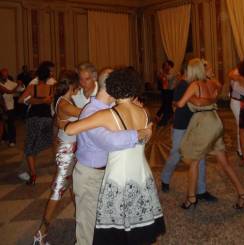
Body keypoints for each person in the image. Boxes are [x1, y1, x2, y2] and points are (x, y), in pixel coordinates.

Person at [63, 68, 165, 245]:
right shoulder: (140, 112)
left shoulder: (109, 112)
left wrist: (142, 133)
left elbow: (70, 129)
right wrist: (140, 133)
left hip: (116, 176)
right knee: (99, 227)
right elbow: (111, 141)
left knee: (117, 228)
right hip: (108, 174)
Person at [177, 58, 244, 210]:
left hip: (204, 123)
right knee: (224, 162)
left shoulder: (194, 85)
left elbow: (180, 104)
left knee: (194, 161)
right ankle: (243, 193)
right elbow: (216, 92)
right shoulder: (211, 83)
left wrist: (192, 98)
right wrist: (209, 98)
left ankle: (191, 198)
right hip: (216, 121)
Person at [33, 70, 81, 245]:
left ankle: (81, 221)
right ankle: (41, 231)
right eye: (78, 84)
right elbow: (84, 113)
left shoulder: (64, 100)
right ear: (72, 86)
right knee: (58, 188)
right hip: (67, 151)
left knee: (74, 186)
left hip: (69, 148)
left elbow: (59, 122)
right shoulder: (65, 104)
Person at [161, 66, 217, 202]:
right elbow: (178, 105)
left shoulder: (196, 84)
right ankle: (165, 179)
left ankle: (201, 190)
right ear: (189, 71)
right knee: (176, 154)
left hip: (196, 125)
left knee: (200, 156)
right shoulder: (183, 85)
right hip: (181, 125)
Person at [18, 61, 57, 182]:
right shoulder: (51, 89)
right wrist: (43, 101)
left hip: (33, 118)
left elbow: (20, 100)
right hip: (47, 119)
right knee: (49, 142)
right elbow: (52, 103)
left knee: (30, 145)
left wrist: (33, 101)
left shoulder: (32, 87)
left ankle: (33, 174)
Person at [0, 68, 20, 147]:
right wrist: (17, 85)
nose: (5, 76)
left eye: (6, 75)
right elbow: (9, 91)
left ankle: (12, 140)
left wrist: (19, 85)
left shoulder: (10, 82)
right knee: (2, 123)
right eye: (3, 75)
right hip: (2, 107)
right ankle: (5, 138)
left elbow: (20, 89)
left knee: (10, 124)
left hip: (10, 106)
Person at [156, 59, 177, 127]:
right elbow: (161, 79)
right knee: (166, 104)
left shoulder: (172, 71)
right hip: (166, 90)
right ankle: (168, 118)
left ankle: (164, 119)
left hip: (170, 90)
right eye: (165, 65)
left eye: (167, 64)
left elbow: (169, 78)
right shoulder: (166, 71)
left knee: (167, 105)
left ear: (170, 65)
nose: (166, 66)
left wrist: (162, 74)